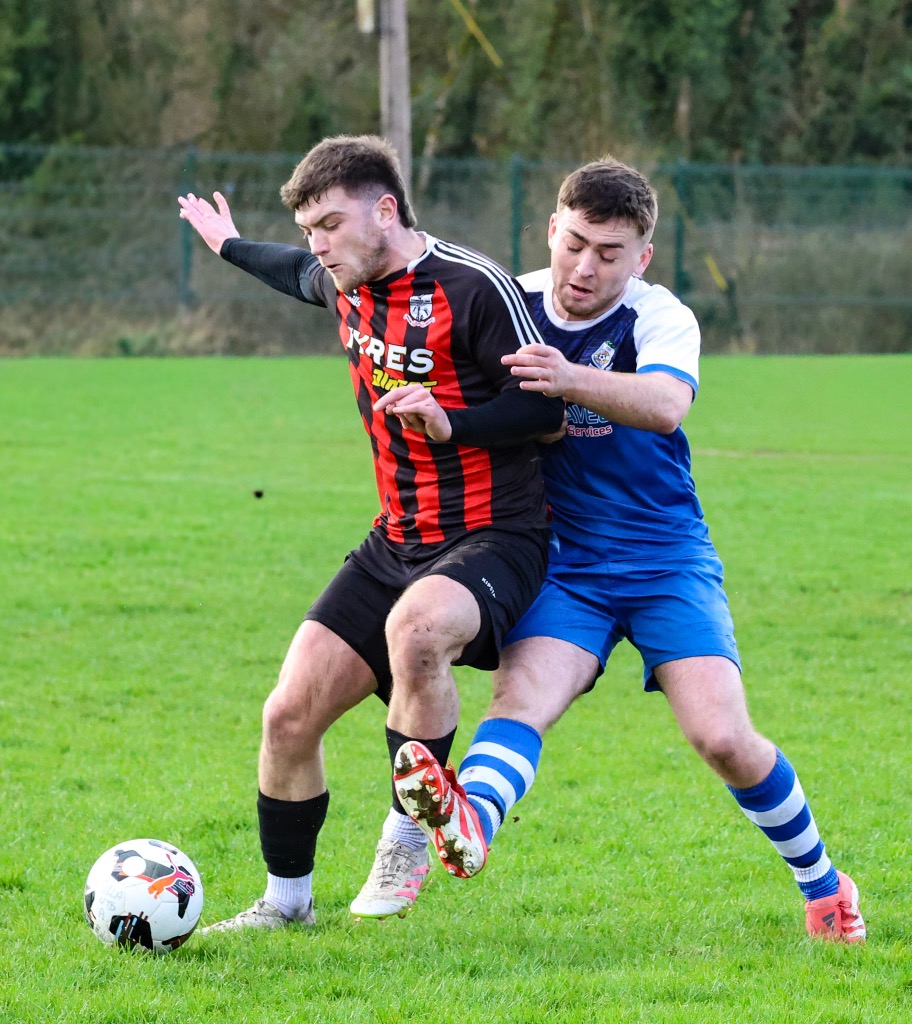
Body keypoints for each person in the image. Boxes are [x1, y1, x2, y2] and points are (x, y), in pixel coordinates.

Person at [391, 156, 866, 942]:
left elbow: (667, 404)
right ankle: (470, 821)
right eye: (575, 243)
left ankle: (823, 884)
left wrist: (567, 378)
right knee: (522, 702)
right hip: (563, 563)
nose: (586, 267)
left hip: (665, 558)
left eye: (609, 254)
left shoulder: (659, 315)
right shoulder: (508, 304)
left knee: (722, 737)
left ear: (641, 257)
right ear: (552, 228)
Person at [177, 135, 564, 929]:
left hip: (496, 533)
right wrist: (229, 246)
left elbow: (545, 408)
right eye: (308, 229)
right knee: (287, 717)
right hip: (396, 537)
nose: (318, 245)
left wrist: (451, 422)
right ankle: (286, 905)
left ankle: (407, 837)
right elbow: (292, 271)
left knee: (417, 632)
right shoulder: (343, 282)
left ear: (384, 211)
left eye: (329, 224)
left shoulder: (473, 287)